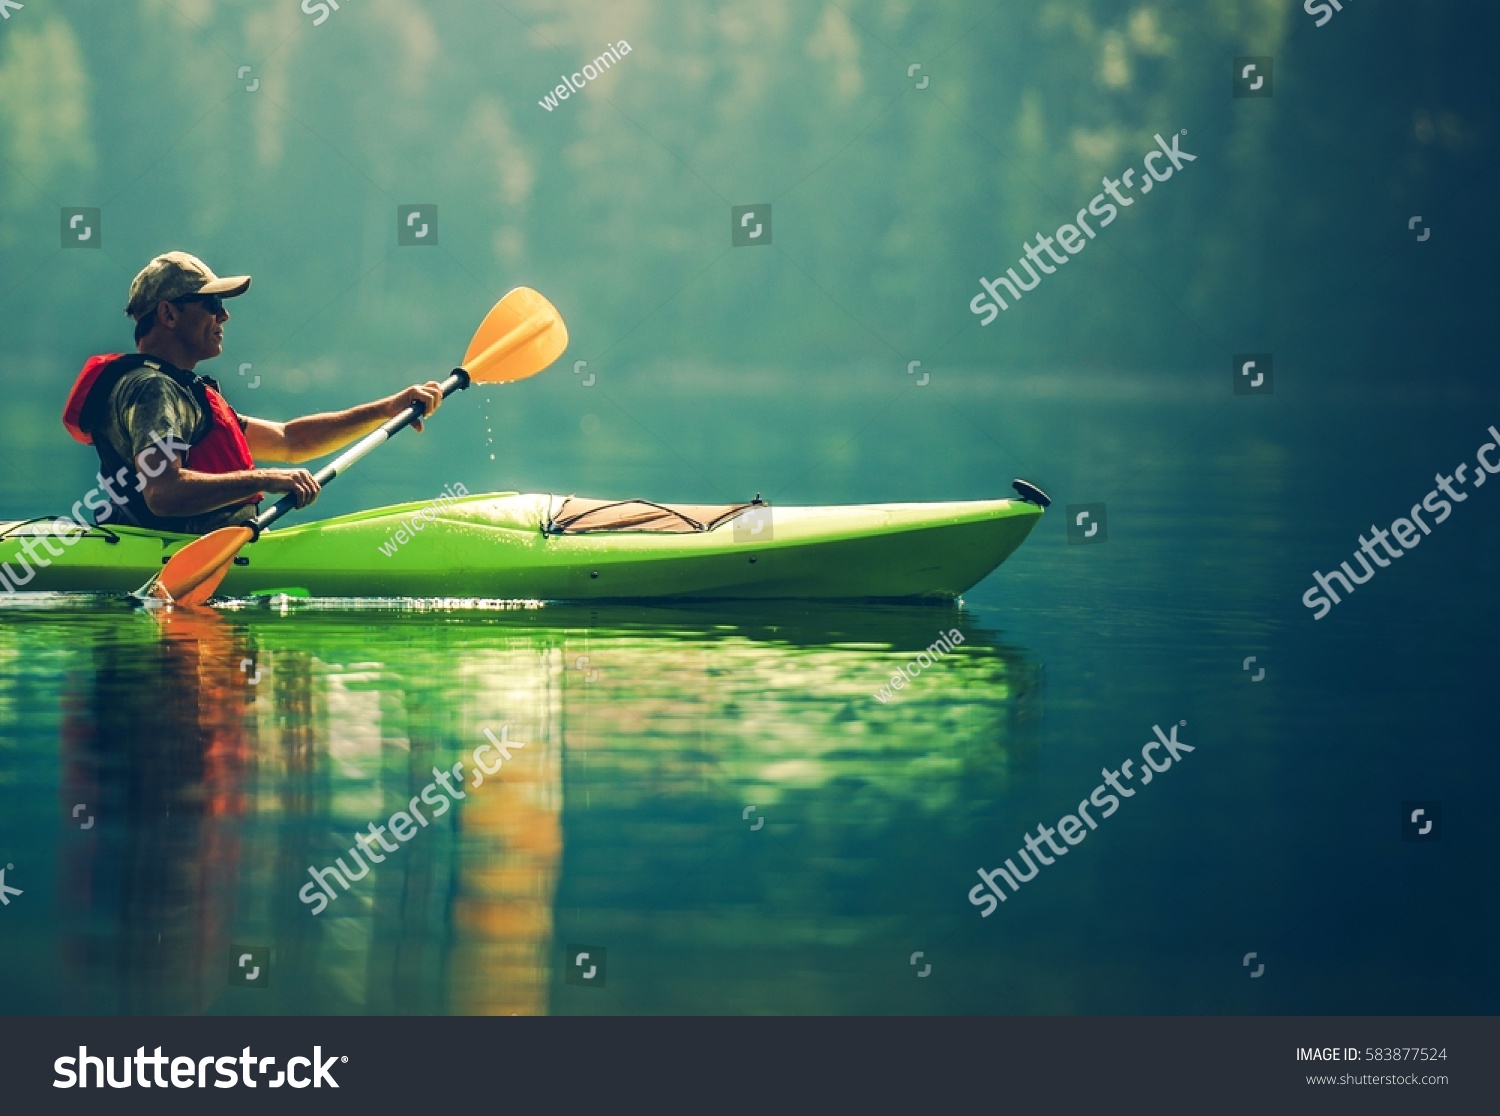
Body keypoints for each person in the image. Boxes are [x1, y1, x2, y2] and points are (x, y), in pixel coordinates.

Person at [62, 251, 445, 534]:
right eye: (212, 303)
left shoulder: (179, 389)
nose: (224, 316)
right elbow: (163, 493)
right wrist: (266, 479)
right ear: (168, 315)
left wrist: (388, 408)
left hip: (209, 544)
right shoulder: (153, 390)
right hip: (175, 553)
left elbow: (289, 439)